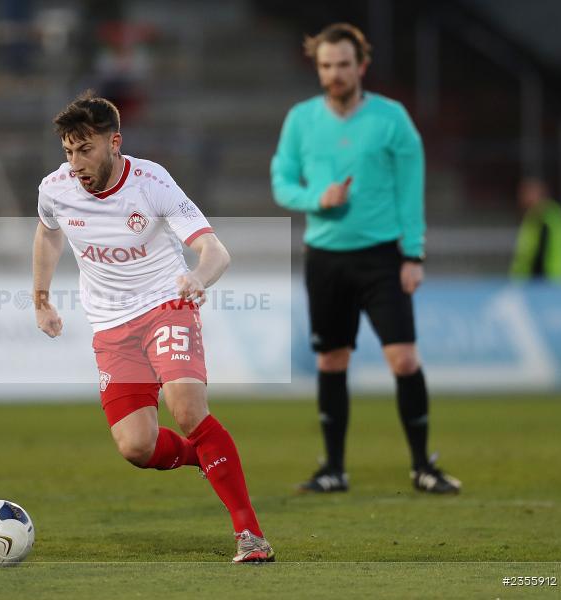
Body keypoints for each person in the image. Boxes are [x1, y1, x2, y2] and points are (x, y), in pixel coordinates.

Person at [33, 91, 274, 562]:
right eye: (68, 151)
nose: (75, 162)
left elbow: (215, 252)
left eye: (85, 149)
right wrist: (41, 299)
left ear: (114, 142)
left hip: (167, 304)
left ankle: (250, 534)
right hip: (110, 328)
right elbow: (47, 232)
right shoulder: (54, 188)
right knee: (136, 446)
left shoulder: (151, 183)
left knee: (186, 408)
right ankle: (204, 455)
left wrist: (197, 279)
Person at [270, 23, 460, 494]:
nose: (334, 73)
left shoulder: (392, 119)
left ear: (362, 66)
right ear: (318, 68)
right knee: (332, 361)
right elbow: (282, 183)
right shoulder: (300, 119)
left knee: (404, 359)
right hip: (325, 259)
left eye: (343, 65)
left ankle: (422, 466)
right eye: (326, 65)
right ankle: (333, 468)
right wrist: (319, 198)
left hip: (381, 258)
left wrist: (413, 254)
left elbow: (411, 191)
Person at [510, 177, 561, 281]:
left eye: (527, 194)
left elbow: (544, 251)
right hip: (533, 280)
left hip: (550, 279)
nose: (523, 198)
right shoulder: (532, 217)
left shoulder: (550, 217)